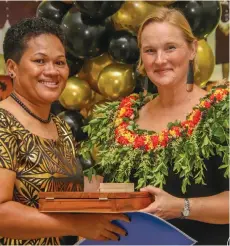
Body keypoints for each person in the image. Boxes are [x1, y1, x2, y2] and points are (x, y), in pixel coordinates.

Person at [81, 7, 229, 245]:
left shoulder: (222, 113)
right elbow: (105, 189)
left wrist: (181, 207)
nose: (160, 60)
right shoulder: (123, 118)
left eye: (171, 47)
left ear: (192, 50)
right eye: (150, 51)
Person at [0, 17, 130, 245]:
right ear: (12, 67)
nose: (52, 71)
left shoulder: (60, 126)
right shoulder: (3, 122)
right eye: (40, 61)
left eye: (60, 62)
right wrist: (77, 225)